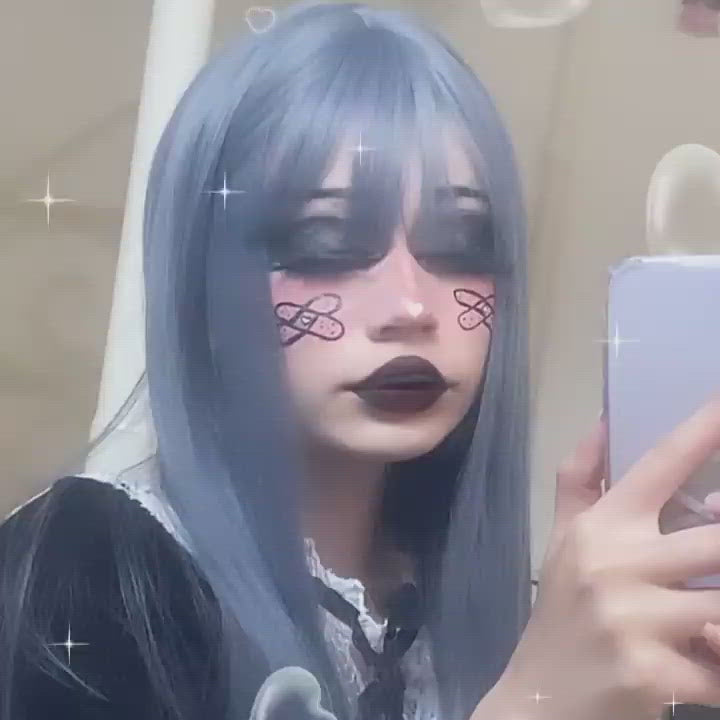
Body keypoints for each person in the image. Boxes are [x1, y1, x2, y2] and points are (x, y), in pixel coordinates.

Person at [1, 3, 720, 719]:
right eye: (327, 242)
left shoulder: (469, 614)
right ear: (205, 288)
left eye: (461, 242)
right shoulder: (81, 570)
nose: (410, 306)